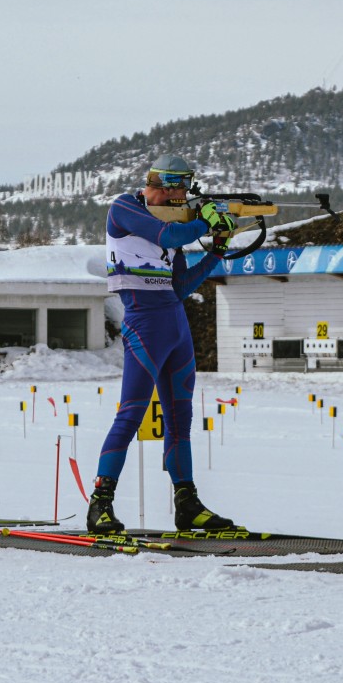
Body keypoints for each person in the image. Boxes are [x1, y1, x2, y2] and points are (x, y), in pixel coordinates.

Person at [88, 155, 240, 534]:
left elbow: (180, 288)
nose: (178, 199)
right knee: (131, 414)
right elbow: (169, 236)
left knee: (180, 420)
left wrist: (216, 250)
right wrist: (207, 219)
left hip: (174, 324)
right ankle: (100, 504)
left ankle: (186, 502)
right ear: (166, 186)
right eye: (177, 192)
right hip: (144, 325)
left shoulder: (174, 224)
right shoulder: (124, 207)